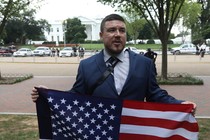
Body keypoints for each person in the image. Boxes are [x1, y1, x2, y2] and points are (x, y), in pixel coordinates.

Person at [31, 14, 196, 115]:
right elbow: (76, 96)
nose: (117, 35)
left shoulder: (144, 64)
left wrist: (180, 104)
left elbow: (155, 94)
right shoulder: (86, 66)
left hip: (134, 131)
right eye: (111, 30)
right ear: (102, 35)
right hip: (101, 131)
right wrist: (48, 96)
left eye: (122, 30)